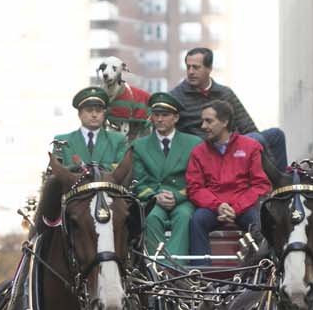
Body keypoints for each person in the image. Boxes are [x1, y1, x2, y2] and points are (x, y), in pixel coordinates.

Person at [170, 46, 287, 171]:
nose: (191, 72)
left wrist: (252, 149)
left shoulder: (225, 93)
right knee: (256, 139)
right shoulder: (176, 97)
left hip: (235, 144)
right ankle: (274, 178)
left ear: (209, 68)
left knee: (276, 135)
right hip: (207, 149)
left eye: (196, 67)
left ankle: (280, 185)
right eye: (188, 67)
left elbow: (248, 126)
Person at [185, 99, 270, 257]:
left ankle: (260, 272)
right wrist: (218, 206)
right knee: (197, 220)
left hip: (244, 207)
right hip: (213, 207)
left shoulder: (251, 147)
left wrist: (236, 208)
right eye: (202, 121)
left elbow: (261, 185)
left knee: (260, 223)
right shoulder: (198, 152)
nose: (203, 126)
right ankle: (199, 276)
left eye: (208, 121)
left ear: (224, 122)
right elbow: (194, 188)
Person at [130, 91, 203, 256]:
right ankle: (155, 269)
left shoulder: (194, 143)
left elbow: (198, 180)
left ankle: (173, 269)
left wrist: (177, 196)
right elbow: (138, 182)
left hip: (182, 199)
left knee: (185, 217)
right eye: (156, 115)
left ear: (176, 118)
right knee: (151, 217)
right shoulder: (140, 146)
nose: (159, 119)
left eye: (165, 115)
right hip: (154, 199)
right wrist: (156, 196)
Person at [55, 87, 129, 170]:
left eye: (98, 111)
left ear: (103, 114)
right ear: (79, 114)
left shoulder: (117, 140)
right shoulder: (62, 141)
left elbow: (122, 169)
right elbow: (55, 173)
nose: (94, 115)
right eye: (89, 110)